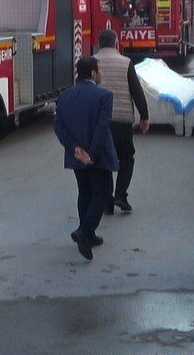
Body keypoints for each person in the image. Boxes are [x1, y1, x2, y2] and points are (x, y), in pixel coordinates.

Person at [53, 57, 118, 260]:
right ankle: (84, 231)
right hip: (97, 157)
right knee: (104, 193)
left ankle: (88, 236)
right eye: (99, 70)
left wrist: (75, 150)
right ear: (92, 73)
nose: (101, 74)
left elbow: (58, 127)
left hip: (77, 157)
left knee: (85, 193)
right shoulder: (104, 96)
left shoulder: (64, 97)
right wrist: (92, 154)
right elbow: (101, 128)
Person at [94, 30, 150, 214]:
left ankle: (107, 201)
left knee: (103, 161)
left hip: (99, 122)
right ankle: (121, 195)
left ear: (99, 43)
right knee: (126, 158)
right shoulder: (125, 63)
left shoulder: (91, 63)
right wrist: (144, 116)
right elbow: (137, 91)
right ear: (116, 43)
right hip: (122, 120)